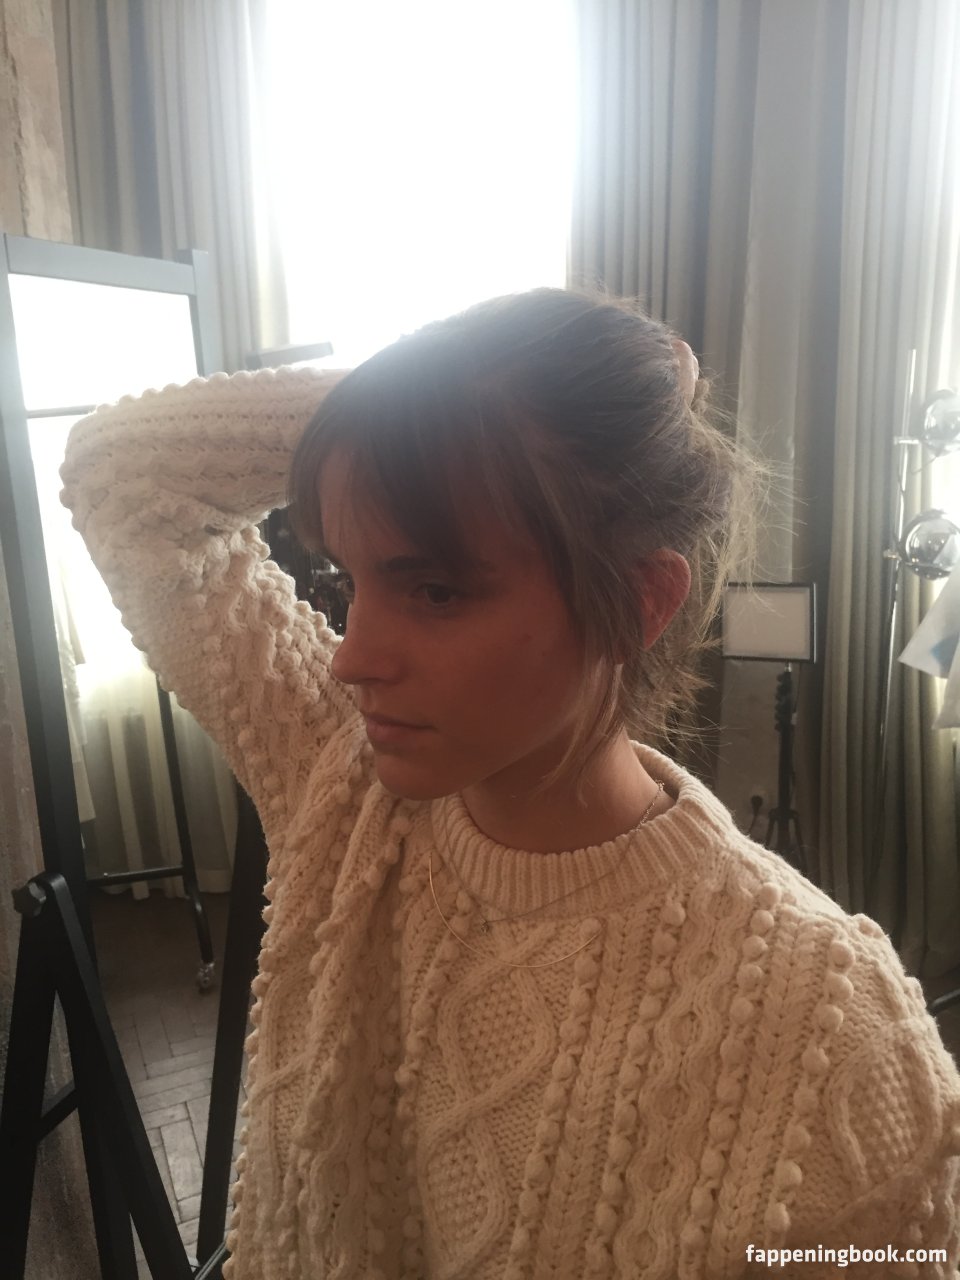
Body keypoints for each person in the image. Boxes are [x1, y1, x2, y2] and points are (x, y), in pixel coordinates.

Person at [60, 289, 960, 1279]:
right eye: (349, 581)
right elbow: (119, 473)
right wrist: (430, 409)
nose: (352, 657)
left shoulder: (834, 1034)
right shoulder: (340, 785)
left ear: (641, 601)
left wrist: (485, 427)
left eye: (435, 590)